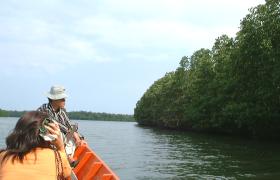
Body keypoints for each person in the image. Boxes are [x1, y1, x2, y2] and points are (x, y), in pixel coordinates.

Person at [0, 111, 71, 179]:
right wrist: (60, 146)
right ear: (48, 135)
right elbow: (67, 174)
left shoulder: (3, 156)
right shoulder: (57, 156)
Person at [37, 85, 82, 166]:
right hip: (44, 138)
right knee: (56, 132)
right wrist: (71, 132)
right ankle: (67, 158)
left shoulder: (62, 110)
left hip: (59, 139)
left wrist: (76, 134)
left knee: (74, 131)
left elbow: (69, 124)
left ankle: (65, 156)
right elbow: (55, 124)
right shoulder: (44, 110)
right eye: (62, 99)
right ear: (54, 99)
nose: (65, 100)